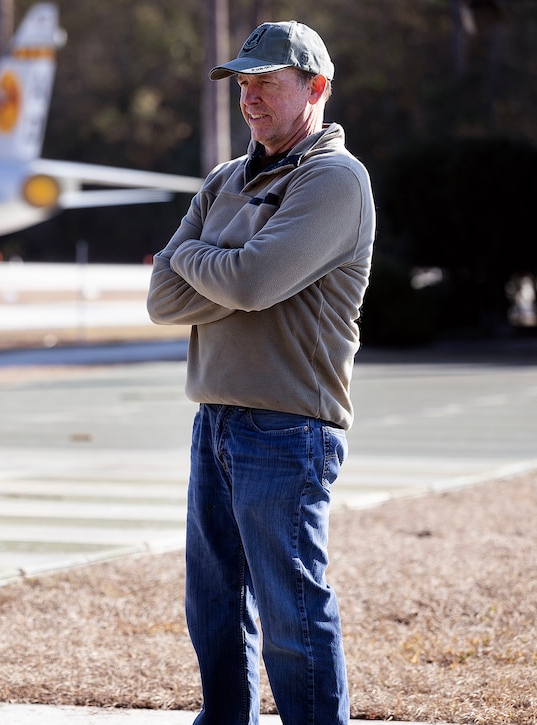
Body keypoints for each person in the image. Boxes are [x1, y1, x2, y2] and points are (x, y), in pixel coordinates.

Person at [146, 21, 375, 725]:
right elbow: (162, 300)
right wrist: (222, 261)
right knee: (212, 608)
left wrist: (194, 254)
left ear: (315, 87)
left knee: (291, 614)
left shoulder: (335, 179)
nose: (249, 98)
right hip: (214, 420)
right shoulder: (226, 179)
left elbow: (249, 283)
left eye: (265, 82)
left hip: (287, 427)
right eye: (242, 83)